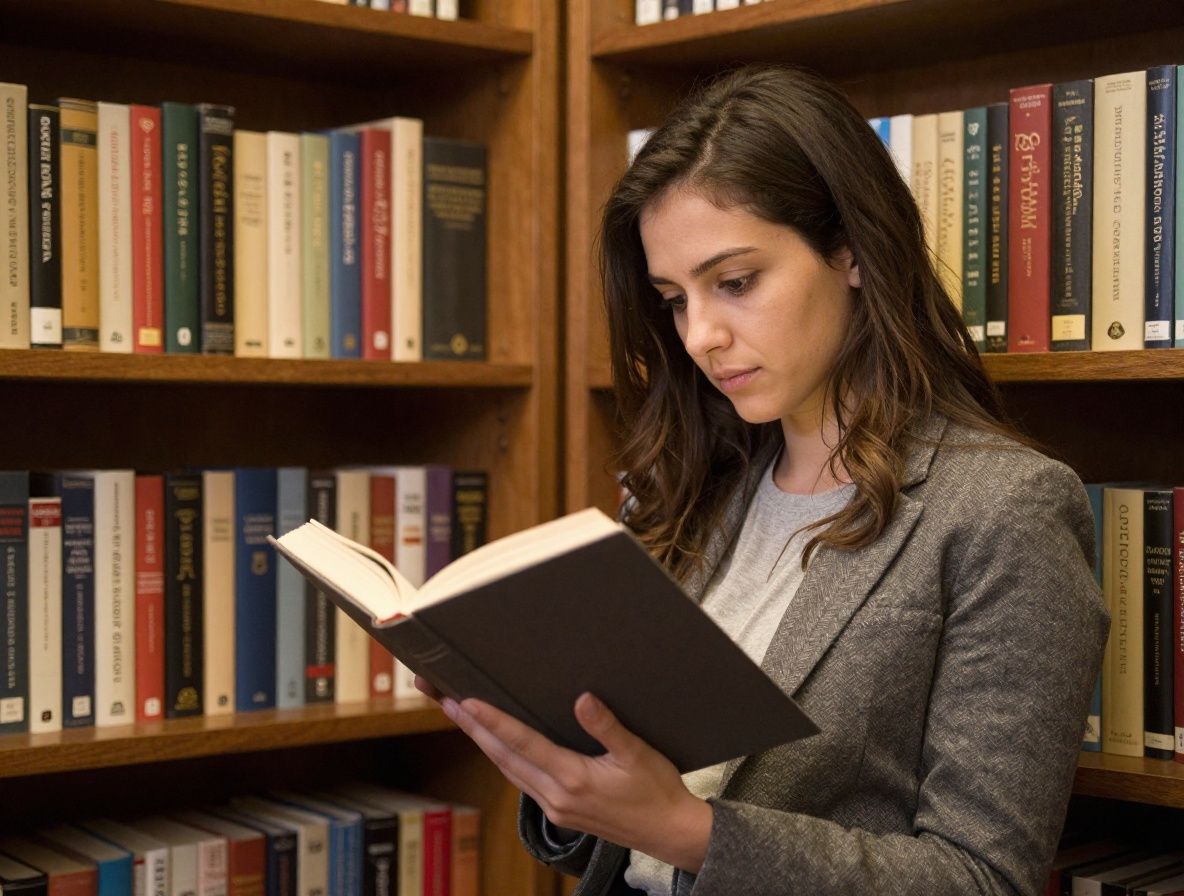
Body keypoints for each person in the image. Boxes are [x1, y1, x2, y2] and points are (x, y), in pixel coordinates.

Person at [416, 65, 1109, 895]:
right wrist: (547, 751)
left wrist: (683, 831)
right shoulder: (691, 487)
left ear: (851, 251)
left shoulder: (1005, 512)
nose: (701, 336)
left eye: (735, 283)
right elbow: (630, 823)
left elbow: (983, 878)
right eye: (673, 299)